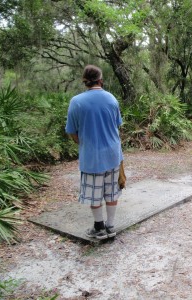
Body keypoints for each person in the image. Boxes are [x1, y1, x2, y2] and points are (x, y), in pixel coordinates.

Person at [65, 64, 123, 239]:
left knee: (94, 194)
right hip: (113, 154)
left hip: (91, 156)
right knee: (111, 191)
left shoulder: (76, 101)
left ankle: (99, 228)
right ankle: (111, 226)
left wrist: (83, 143)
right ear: (101, 80)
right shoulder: (111, 98)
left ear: (85, 82)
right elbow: (117, 125)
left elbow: (72, 132)